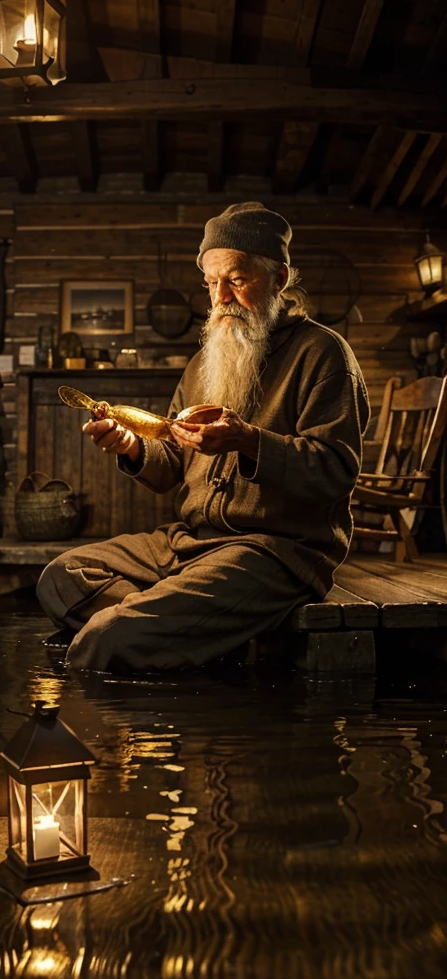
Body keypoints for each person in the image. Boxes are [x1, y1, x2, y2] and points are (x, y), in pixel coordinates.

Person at [37, 202, 370, 671]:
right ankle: (196, 628)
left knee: (108, 636)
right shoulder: (203, 363)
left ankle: (157, 627)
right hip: (189, 543)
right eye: (211, 283)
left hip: (274, 552)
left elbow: (335, 471)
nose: (221, 297)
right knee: (59, 579)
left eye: (236, 280)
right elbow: (173, 460)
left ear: (279, 279)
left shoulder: (322, 353)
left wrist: (248, 442)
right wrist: (132, 447)